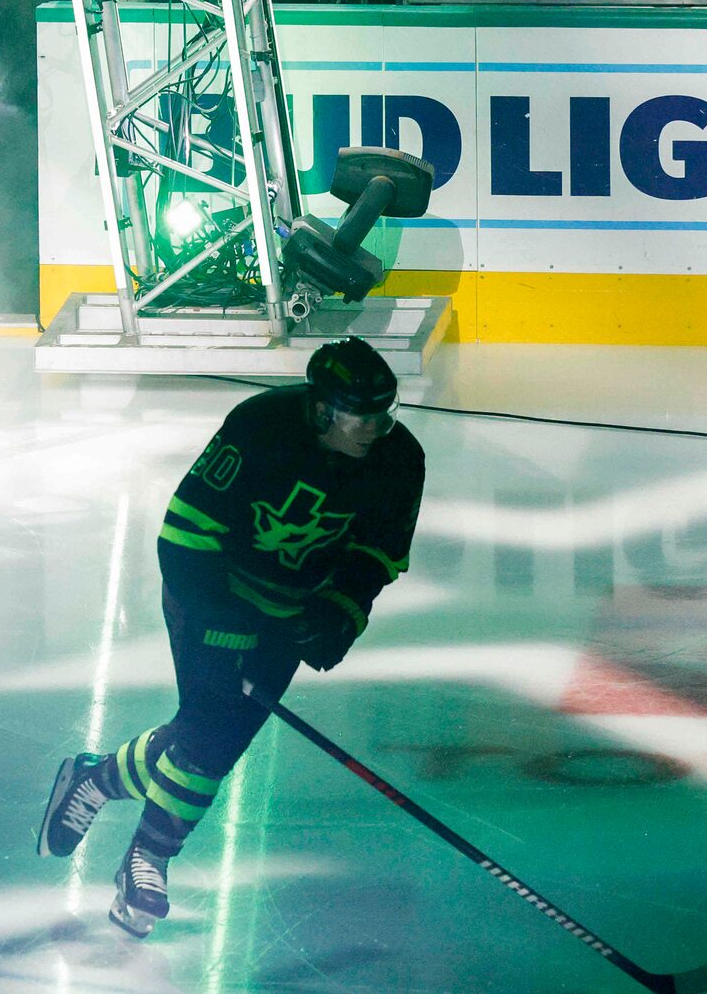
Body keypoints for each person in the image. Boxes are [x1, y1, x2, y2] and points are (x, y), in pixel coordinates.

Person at [36, 340, 424, 939]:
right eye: (363, 417)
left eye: (385, 414)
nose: (377, 429)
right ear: (323, 410)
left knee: (214, 738)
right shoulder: (260, 427)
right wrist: (214, 618)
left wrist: (340, 613)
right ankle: (149, 860)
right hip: (210, 595)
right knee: (209, 736)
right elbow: (185, 532)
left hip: (285, 618)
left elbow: (377, 555)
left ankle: (97, 778)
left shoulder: (401, 460)